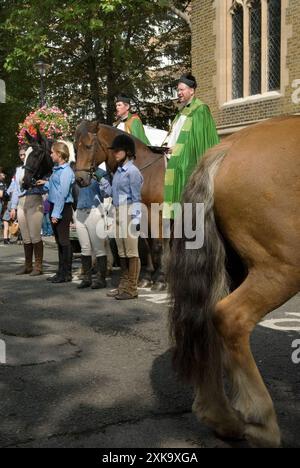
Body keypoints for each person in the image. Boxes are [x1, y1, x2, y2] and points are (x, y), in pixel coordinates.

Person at [162, 73, 220, 219]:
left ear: (192, 91)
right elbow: (174, 135)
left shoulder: (200, 110)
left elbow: (200, 141)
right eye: (178, 90)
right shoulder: (181, 112)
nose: (179, 93)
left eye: (182, 90)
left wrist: (178, 151)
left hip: (187, 162)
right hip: (172, 158)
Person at [104, 134, 143, 300]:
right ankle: (123, 285)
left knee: (132, 252)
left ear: (127, 151)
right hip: (118, 210)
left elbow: (136, 198)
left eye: (118, 150)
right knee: (121, 251)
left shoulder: (133, 172)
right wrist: (103, 181)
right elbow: (110, 193)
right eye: (114, 150)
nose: (115, 153)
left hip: (128, 210)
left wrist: (136, 219)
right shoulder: (118, 172)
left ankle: (132, 288)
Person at [37, 142, 75, 283]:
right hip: (55, 206)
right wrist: (45, 183)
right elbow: (55, 186)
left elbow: (62, 194)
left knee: (64, 241)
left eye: (53, 152)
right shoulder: (57, 169)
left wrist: (56, 214)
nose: (51, 154)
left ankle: (67, 273)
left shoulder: (66, 171)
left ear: (59, 154)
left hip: (62, 208)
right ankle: (61, 271)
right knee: (59, 241)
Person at [10, 147, 45, 275]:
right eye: (21, 155)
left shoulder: (37, 168)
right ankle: (28, 265)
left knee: (35, 234)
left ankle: (38, 266)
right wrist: (13, 206)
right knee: (25, 236)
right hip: (21, 202)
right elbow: (14, 189)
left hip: (34, 199)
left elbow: (44, 187)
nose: (23, 156)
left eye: (25, 154)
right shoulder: (18, 170)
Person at [75, 168, 111, 290]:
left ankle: (101, 279)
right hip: (79, 211)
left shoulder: (101, 172)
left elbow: (107, 192)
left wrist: (101, 179)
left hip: (94, 211)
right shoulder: (78, 171)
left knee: (99, 248)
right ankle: (87, 277)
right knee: (85, 248)